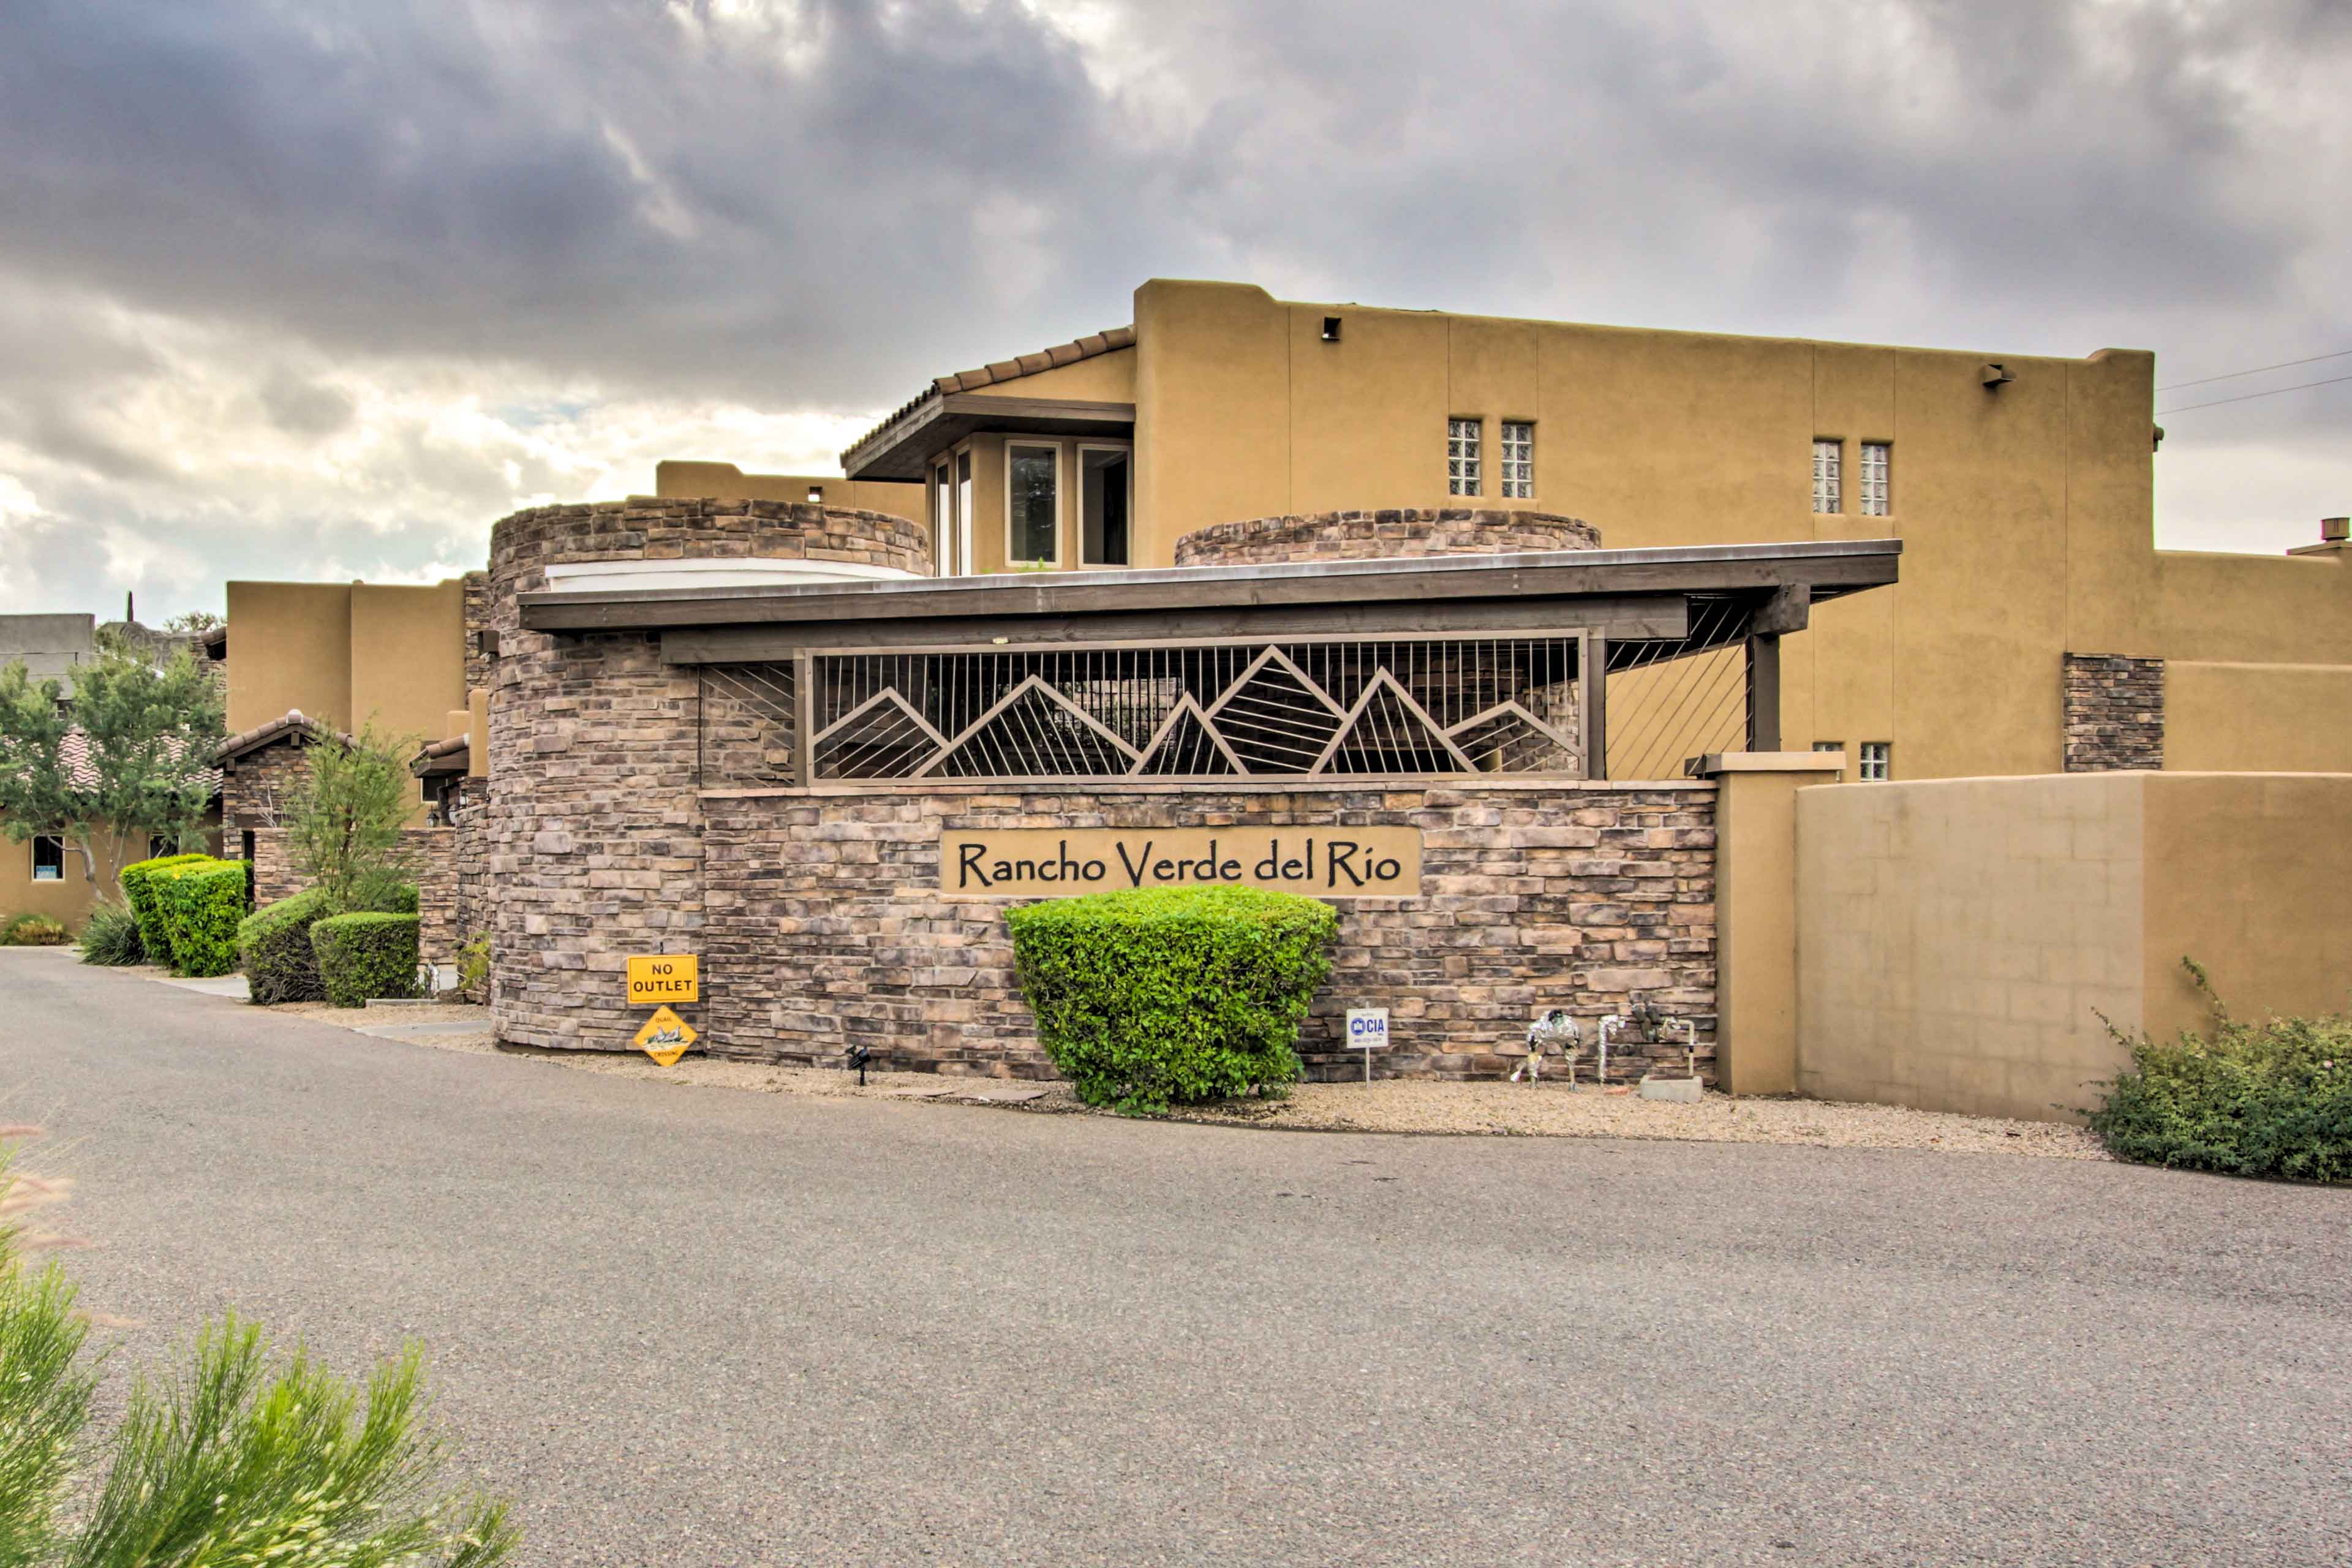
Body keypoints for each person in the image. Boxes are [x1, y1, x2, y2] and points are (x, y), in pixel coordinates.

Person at [1513, 1008, 1580, 1083]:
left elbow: (1575, 1039)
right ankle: (1533, 1082)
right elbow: (1533, 1043)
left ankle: (1573, 1082)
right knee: (1533, 1053)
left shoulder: (1570, 1026)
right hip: (1544, 1033)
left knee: (1571, 1053)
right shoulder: (1539, 1027)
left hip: (1565, 1035)